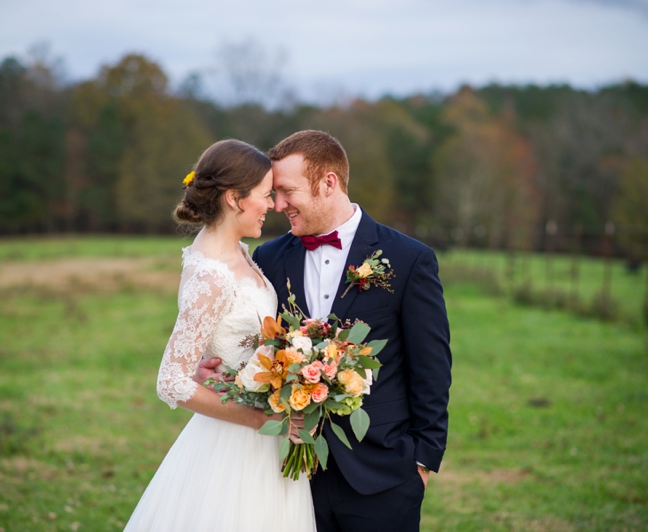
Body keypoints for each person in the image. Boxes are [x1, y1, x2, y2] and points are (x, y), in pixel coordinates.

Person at [198, 130, 451, 531]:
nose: (278, 205)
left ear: (328, 183)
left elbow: (432, 367)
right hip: (291, 475)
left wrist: (422, 462)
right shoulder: (269, 257)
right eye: (273, 194)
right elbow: (255, 342)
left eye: (286, 191)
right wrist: (210, 368)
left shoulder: (408, 259)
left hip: (382, 474)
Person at [124, 139, 316, 531]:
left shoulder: (239, 252)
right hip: (236, 442)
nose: (274, 205)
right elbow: (170, 381)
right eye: (265, 195)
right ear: (234, 198)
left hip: (263, 430)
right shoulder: (212, 275)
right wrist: (261, 419)